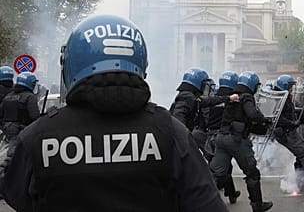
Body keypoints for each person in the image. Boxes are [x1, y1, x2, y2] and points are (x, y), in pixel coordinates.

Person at [0, 15, 228, 212]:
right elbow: (206, 204)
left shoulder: (38, 137)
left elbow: (15, 194)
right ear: (141, 64)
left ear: (69, 64)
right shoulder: (172, 134)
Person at [210, 71, 273, 212]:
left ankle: (200, 203)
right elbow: (252, 114)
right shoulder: (247, 97)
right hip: (236, 140)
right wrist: (264, 120)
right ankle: (257, 206)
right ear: (252, 85)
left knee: (216, 174)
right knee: (252, 173)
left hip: (221, 138)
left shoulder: (233, 97)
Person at [204, 71, 241, 204]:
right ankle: (209, 197)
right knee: (221, 169)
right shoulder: (233, 99)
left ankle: (231, 193)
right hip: (222, 136)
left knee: (221, 166)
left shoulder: (213, 97)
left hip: (209, 136)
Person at [170, 67, 238, 132]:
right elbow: (178, 117)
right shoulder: (186, 97)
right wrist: (183, 135)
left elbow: (208, 101)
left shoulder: (191, 97)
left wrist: (228, 98)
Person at [0, 72, 40, 152]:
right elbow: (34, 116)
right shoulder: (30, 97)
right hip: (23, 130)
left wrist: (4, 126)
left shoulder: (8, 96)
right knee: (16, 153)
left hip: (7, 130)